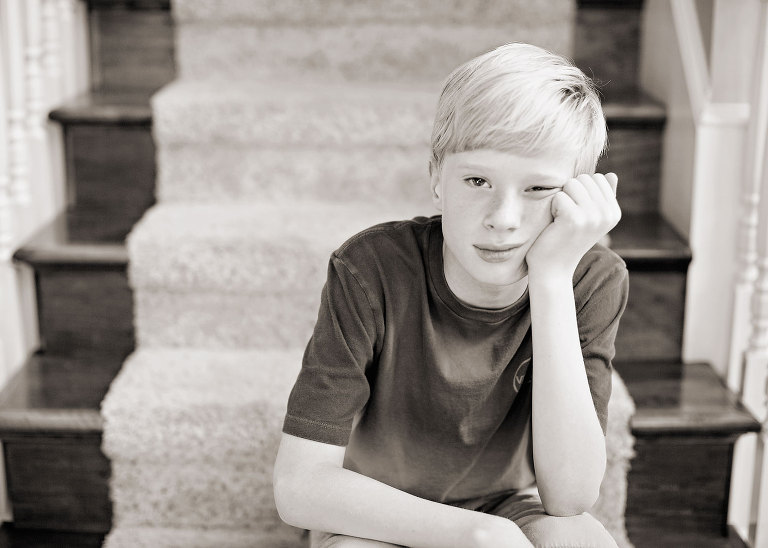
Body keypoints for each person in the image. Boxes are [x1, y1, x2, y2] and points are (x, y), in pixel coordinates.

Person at [273, 42, 629, 548]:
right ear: (436, 176)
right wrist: (478, 534)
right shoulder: (370, 267)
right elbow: (300, 487)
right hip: (382, 509)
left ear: (577, 196)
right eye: (478, 180)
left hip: (509, 503)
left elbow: (570, 496)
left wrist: (550, 278)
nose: (503, 218)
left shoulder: (591, 278)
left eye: (538, 189)